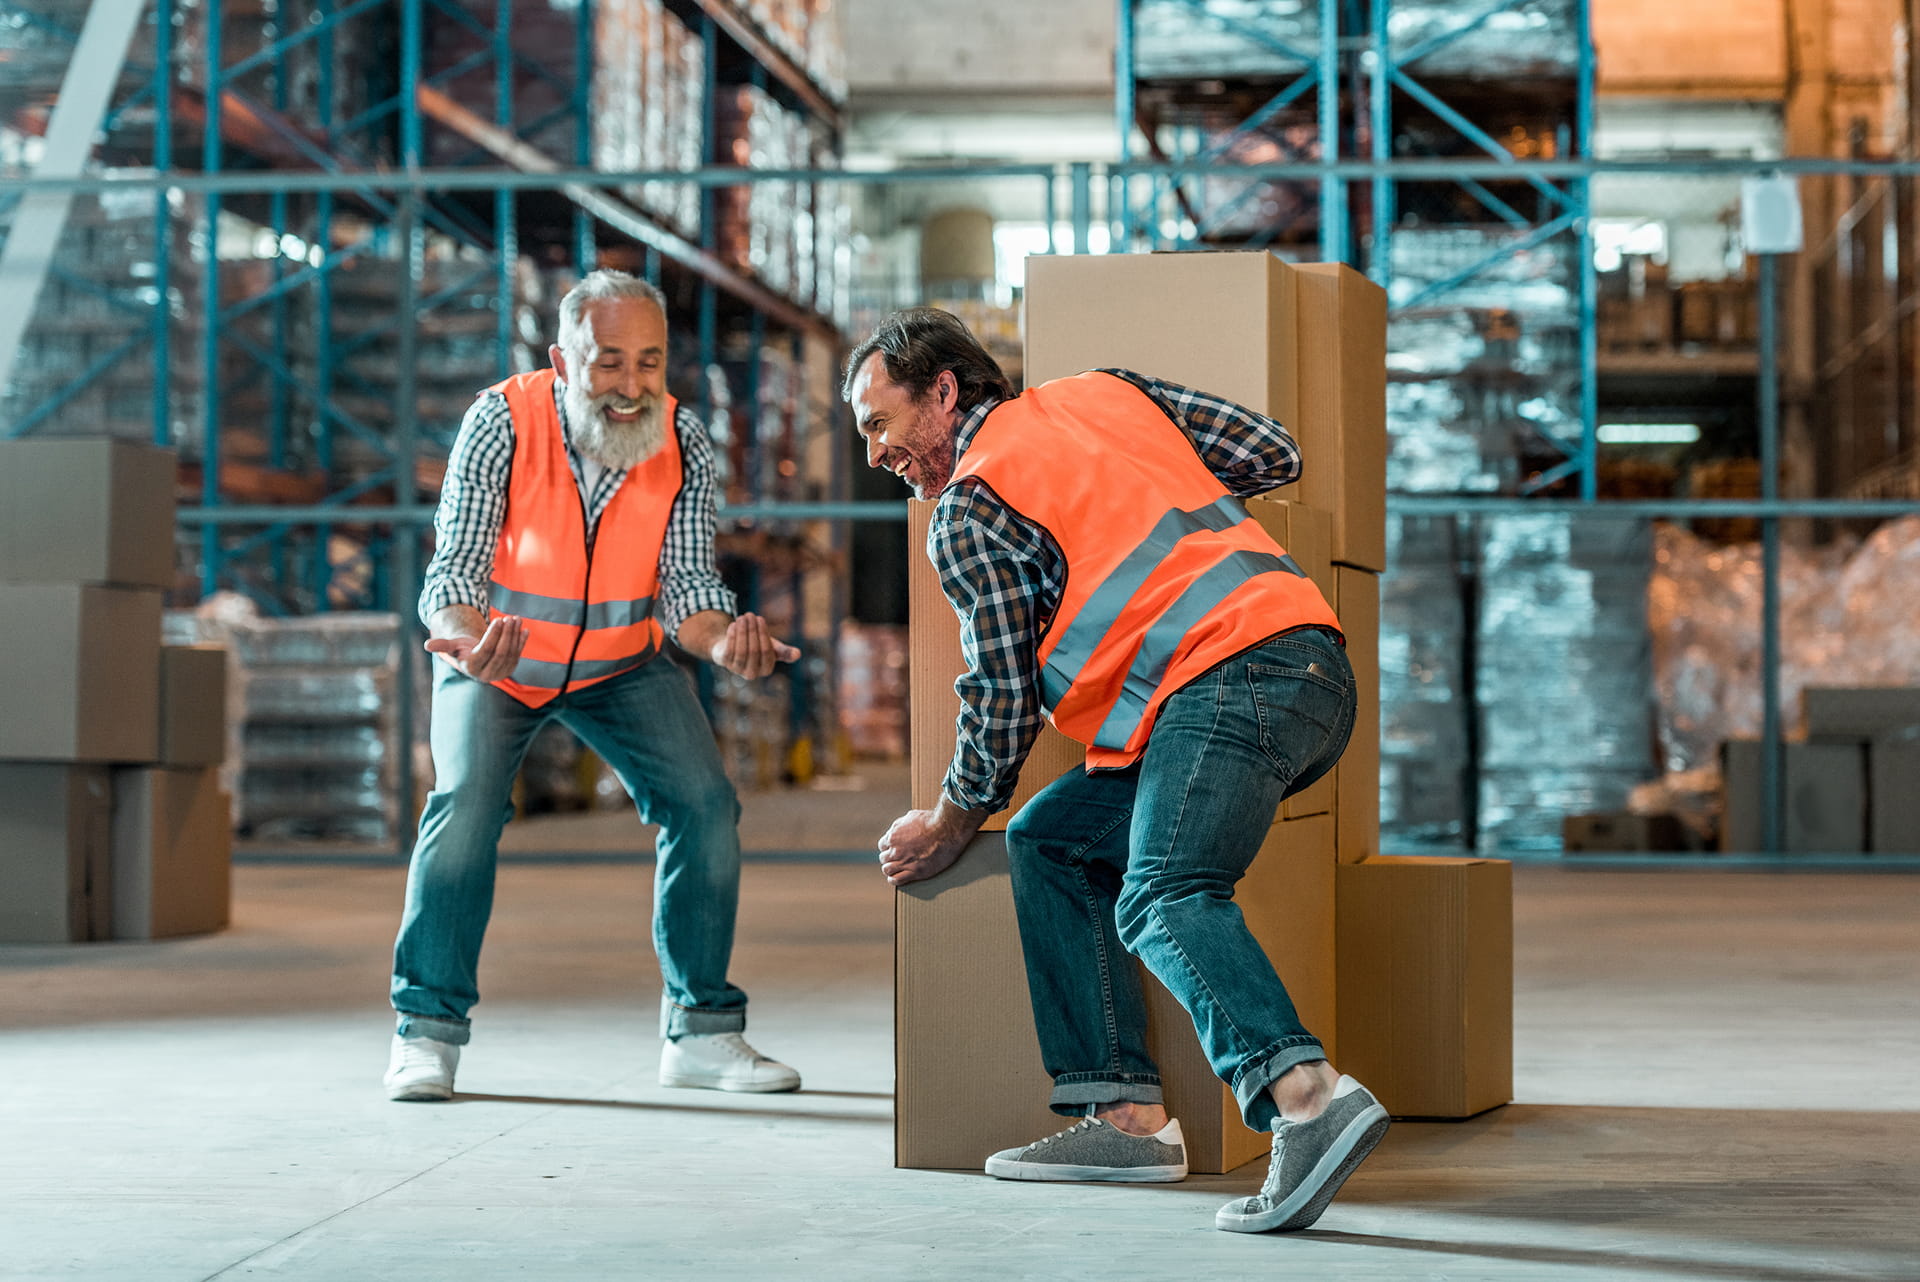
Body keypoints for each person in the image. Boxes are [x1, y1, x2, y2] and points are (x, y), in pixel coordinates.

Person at [846, 307, 1388, 1234]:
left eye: (879, 423)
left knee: (1165, 892)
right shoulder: (1106, 396)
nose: (875, 454)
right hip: (1310, 671)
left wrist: (948, 819)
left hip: (1229, 681)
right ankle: (1127, 1119)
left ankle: (1306, 1097)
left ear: (943, 391)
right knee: (1050, 839)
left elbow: (1003, 698)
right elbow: (1273, 454)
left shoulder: (970, 508)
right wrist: (1145, 490)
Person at [384, 270, 801, 1102]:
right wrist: (468, 643)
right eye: (608, 361)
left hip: (620, 664)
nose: (631, 385)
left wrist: (724, 644)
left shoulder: (682, 437)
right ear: (561, 358)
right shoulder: (501, 421)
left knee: (704, 805)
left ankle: (701, 1031)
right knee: (464, 809)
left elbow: (689, 585)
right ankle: (425, 1034)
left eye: (649, 362)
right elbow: (454, 570)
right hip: (497, 661)